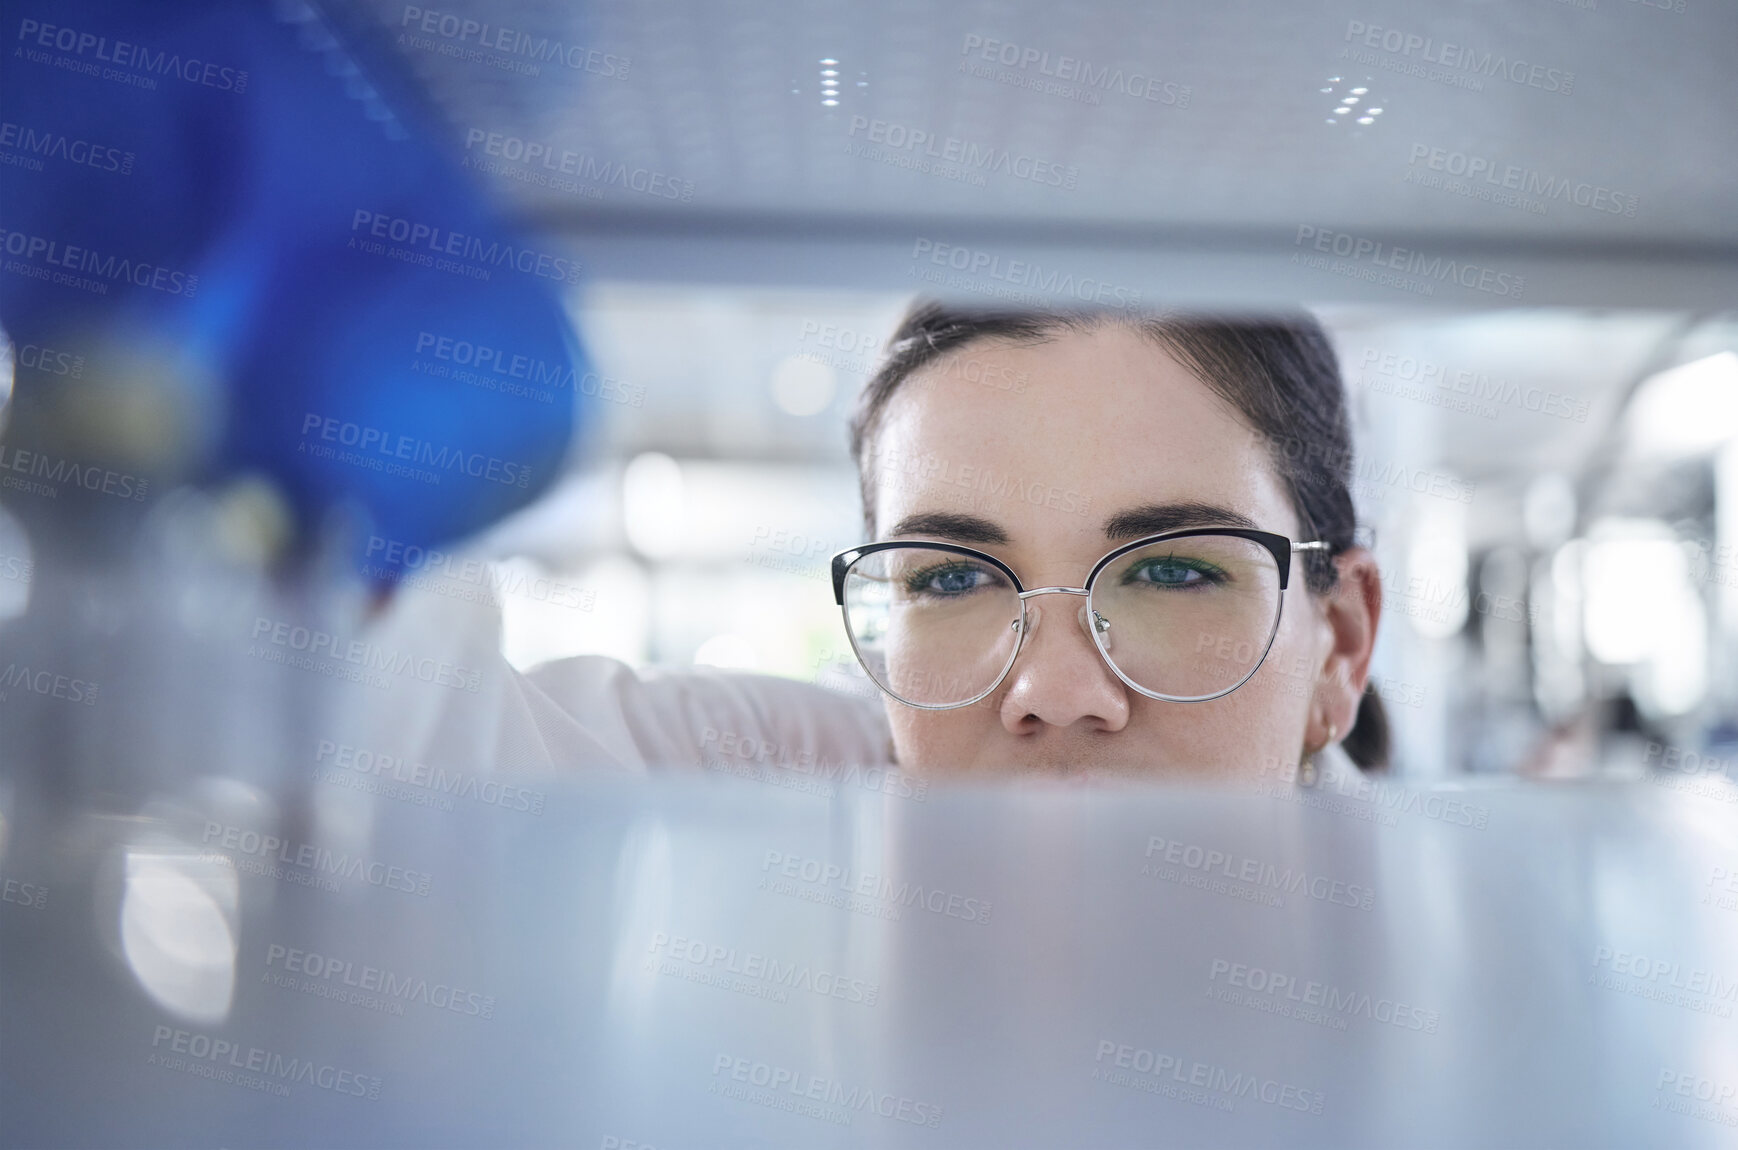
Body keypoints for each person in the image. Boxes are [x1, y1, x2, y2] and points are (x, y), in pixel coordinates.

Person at [344, 303, 1387, 788]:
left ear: (1337, 643)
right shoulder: (835, 770)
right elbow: (410, 743)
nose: (1053, 690)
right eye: (954, 577)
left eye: (1171, 570)